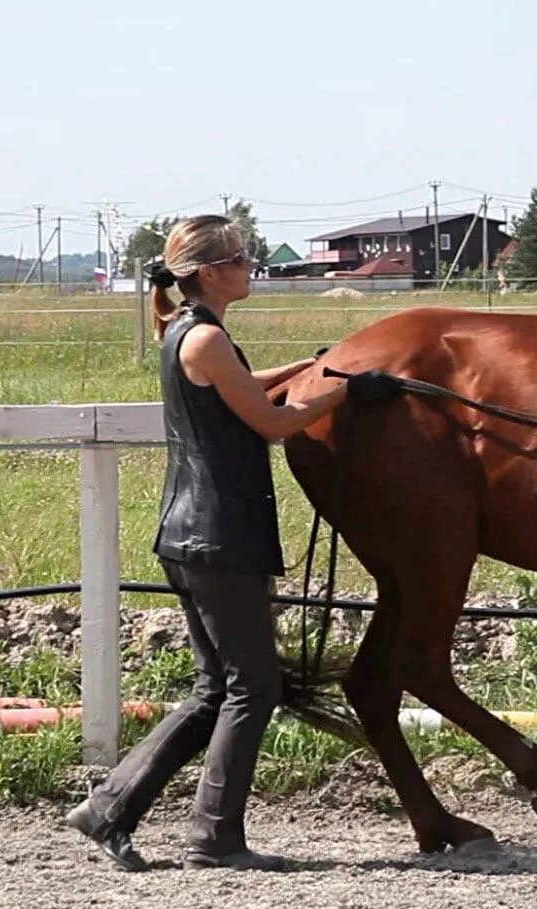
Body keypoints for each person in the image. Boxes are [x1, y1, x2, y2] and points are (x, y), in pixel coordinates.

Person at [65, 215, 349, 871]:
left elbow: (243, 389)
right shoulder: (208, 339)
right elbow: (272, 422)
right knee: (254, 686)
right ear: (213, 272)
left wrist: (309, 366)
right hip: (220, 536)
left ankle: (108, 810)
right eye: (243, 260)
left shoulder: (189, 333)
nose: (251, 267)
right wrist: (341, 393)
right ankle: (214, 835)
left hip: (192, 533)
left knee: (216, 689)